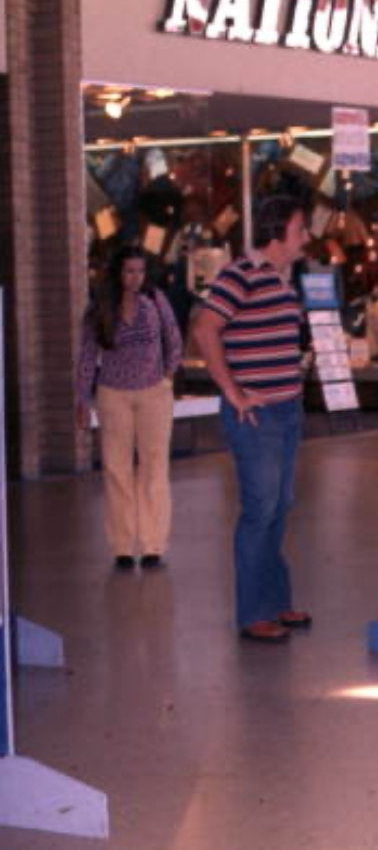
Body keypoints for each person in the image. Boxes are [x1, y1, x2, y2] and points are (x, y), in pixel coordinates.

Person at [192, 196, 312, 644]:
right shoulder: (239, 274)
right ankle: (253, 613)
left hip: (288, 409)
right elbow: (205, 329)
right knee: (260, 510)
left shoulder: (282, 280)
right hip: (257, 416)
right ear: (278, 231)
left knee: (280, 507)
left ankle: (277, 601)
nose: (307, 236)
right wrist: (233, 391)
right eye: (301, 228)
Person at [75, 246, 183, 571]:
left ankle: (153, 544)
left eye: (139, 271)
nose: (134, 277)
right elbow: (87, 355)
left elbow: (173, 338)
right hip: (113, 394)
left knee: (154, 468)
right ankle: (122, 545)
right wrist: (82, 398)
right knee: (117, 469)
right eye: (128, 271)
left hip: (153, 393)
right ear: (117, 273)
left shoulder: (156, 300)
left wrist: (168, 374)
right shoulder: (100, 308)